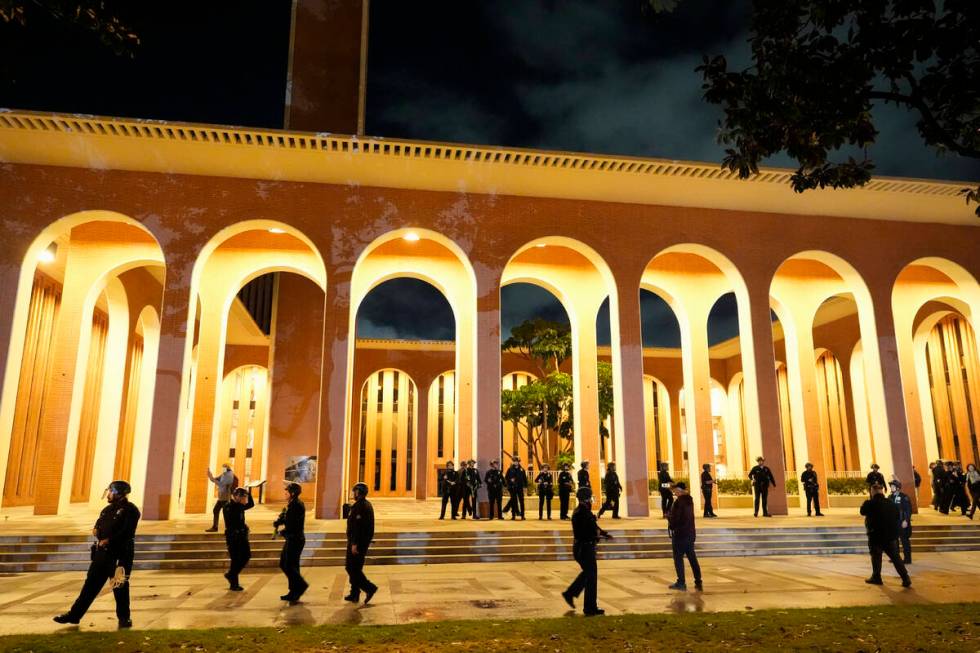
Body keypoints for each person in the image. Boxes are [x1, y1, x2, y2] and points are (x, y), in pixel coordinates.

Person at [54, 480, 141, 628]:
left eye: (111, 492)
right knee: (90, 587)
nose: (108, 494)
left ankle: (124, 618)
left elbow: (127, 532)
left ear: (119, 493)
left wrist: (109, 540)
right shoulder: (107, 510)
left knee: (119, 587)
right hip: (102, 555)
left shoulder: (130, 510)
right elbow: (98, 526)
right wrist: (97, 532)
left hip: (119, 556)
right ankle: (74, 615)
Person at [561, 487, 611, 616]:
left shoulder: (585, 511)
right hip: (584, 548)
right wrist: (597, 537)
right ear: (586, 498)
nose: (592, 499)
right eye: (590, 496)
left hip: (584, 548)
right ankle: (589, 608)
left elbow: (594, 526)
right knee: (591, 577)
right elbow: (585, 532)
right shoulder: (581, 513)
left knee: (588, 575)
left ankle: (570, 594)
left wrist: (603, 533)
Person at [860, 484, 911, 587]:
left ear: (872, 491)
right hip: (890, 536)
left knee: (876, 557)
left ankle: (876, 577)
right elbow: (897, 515)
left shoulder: (870, 503)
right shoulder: (891, 503)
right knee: (896, 558)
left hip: (876, 536)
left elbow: (862, 511)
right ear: (882, 491)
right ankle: (905, 578)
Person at [274, 482, 308, 603]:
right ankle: (294, 590)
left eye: (287, 491)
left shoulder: (296, 505)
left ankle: (300, 587)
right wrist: (280, 521)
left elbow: (293, 524)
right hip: (292, 538)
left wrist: (281, 532)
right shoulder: (292, 504)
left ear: (292, 493)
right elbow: (289, 519)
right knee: (287, 564)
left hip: (295, 539)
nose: (285, 493)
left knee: (288, 565)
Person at [344, 482, 378, 604]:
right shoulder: (363, 505)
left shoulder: (361, 506)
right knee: (355, 568)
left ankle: (370, 588)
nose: (353, 494)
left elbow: (358, 527)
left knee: (352, 568)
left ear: (358, 492)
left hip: (357, 544)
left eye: (354, 491)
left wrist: (354, 544)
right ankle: (354, 593)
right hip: (358, 542)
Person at [667, 482, 703, 591]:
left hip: (680, 534)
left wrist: (669, 519)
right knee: (692, 558)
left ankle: (681, 582)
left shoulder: (679, 502)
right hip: (689, 534)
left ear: (679, 490)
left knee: (678, 559)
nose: (674, 493)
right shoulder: (689, 500)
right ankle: (698, 581)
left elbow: (676, 518)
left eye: (675, 491)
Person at [222, 486, 254, 591]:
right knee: (236, 560)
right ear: (237, 497)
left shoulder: (238, 505)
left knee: (246, 556)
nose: (245, 500)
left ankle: (231, 575)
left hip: (241, 536)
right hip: (233, 537)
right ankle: (233, 583)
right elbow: (233, 522)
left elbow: (251, 504)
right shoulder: (230, 506)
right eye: (244, 497)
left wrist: (249, 493)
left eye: (245, 497)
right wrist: (243, 527)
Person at [888, 480, 913, 564]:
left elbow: (908, 510)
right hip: (893, 523)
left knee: (904, 541)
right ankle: (895, 558)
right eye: (891, 486)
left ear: (898, 488)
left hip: (902, 522)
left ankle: (907, 559)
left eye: (892, 486)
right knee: (894, 542)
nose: (891, 487)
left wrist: (906, 520)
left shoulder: (904, 497)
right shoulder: (890, 497)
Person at [205, 463, 235, 532]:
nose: (223, 468)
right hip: (221, 497)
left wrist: (212, 478)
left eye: (224, 467)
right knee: (216, 510)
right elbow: (216, 479)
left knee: (226, 513)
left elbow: (221, 484)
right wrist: (210, 476)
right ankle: (215, 527)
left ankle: (228, 529)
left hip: (225, 497)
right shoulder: (224, 474)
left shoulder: (230, 475)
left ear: (227, 467)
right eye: (222, 467)